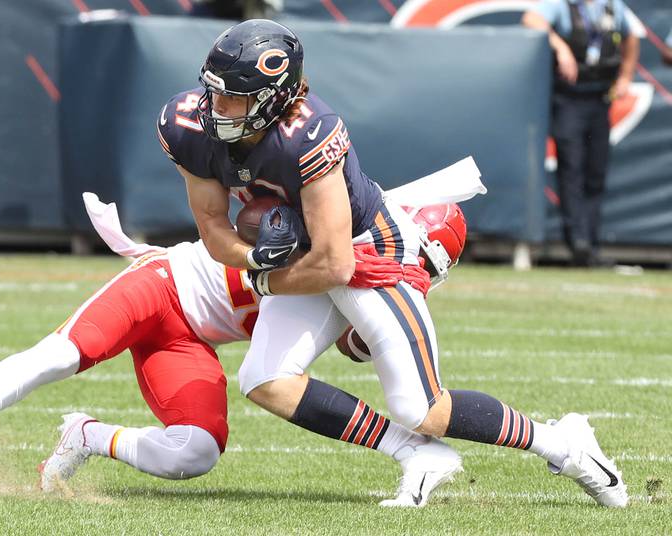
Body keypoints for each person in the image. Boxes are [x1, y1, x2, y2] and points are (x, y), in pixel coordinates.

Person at [162, 18, 628, 507]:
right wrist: (255, 255)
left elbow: (336, 266)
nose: (218, 108)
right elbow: (214, 227)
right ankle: (418, 456)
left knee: (421, 407)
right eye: (213, 92)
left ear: (276, 98)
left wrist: (263, 281)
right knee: (265, 380)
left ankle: (566, 445)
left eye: (235, 97)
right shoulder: (188, 125)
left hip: (369, 249)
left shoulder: (309, 135)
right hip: (308, 256)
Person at [0, 195, 459, 506]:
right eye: (423, 263)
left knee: (195, 453)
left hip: (190, 340)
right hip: (165, 285)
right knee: (63, 354)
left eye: (430, 273)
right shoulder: (336, 229)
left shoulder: (372, 275)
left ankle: (87, 435)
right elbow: (261, 214)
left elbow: (349, 341)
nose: (420, 276)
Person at [523, 1, 639, 266]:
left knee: (595, 172)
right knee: (572, 168)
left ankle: (592, 242)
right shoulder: (561, 5)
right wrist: (560, 46)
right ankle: (578, 242)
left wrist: (626, 76)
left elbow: (631, 37)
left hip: (600, 99)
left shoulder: (612, 6)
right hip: (570, 99)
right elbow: (531, 19)